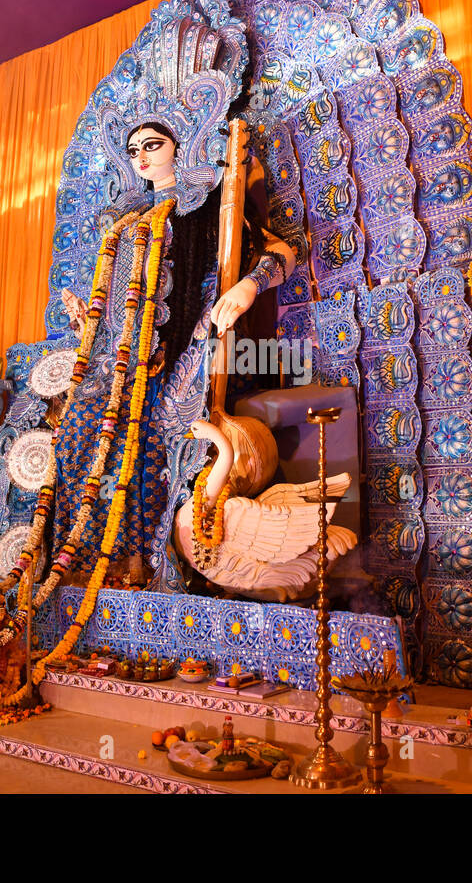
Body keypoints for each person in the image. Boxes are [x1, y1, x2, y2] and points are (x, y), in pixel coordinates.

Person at [49, 118, 295, 586]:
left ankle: (132, 565)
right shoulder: (121, 221)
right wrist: (89, 319)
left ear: (179, 147)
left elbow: (282, 250)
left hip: (172, 357)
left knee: (132, 440)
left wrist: (249, 285)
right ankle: (77, 564)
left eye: (152, 144)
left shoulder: (201, 208)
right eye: (133, 148)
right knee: (75, 431)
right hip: (110, 363)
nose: (141, 155)